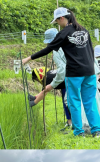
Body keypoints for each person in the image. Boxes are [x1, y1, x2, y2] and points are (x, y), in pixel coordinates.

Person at [22, 8, 100, 138]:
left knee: (74, 102)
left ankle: (79, 132)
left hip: (75, 73)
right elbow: (90, 51)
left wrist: (29, 58)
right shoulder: (84, 30)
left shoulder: (64, 33)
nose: (58, 24)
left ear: (62, 18)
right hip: (90, 72)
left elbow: (48, 49)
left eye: (57, 21)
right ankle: (97, 131)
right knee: (90, 101)